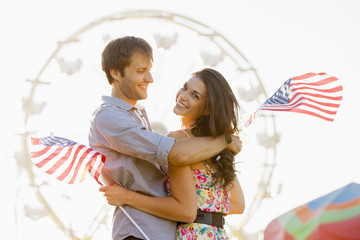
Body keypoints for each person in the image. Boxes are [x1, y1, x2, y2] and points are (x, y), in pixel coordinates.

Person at [89, 36, 242, 240]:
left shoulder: (144, 120)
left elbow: (200, 207)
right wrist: (226, 140)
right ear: (115, 73)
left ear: (208, 109)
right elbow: (176, 154)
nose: (150, 79)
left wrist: (128, 197)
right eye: (141, 71)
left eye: (195, 95)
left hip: (164, 231)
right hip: (141, 229)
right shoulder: (110, 117)